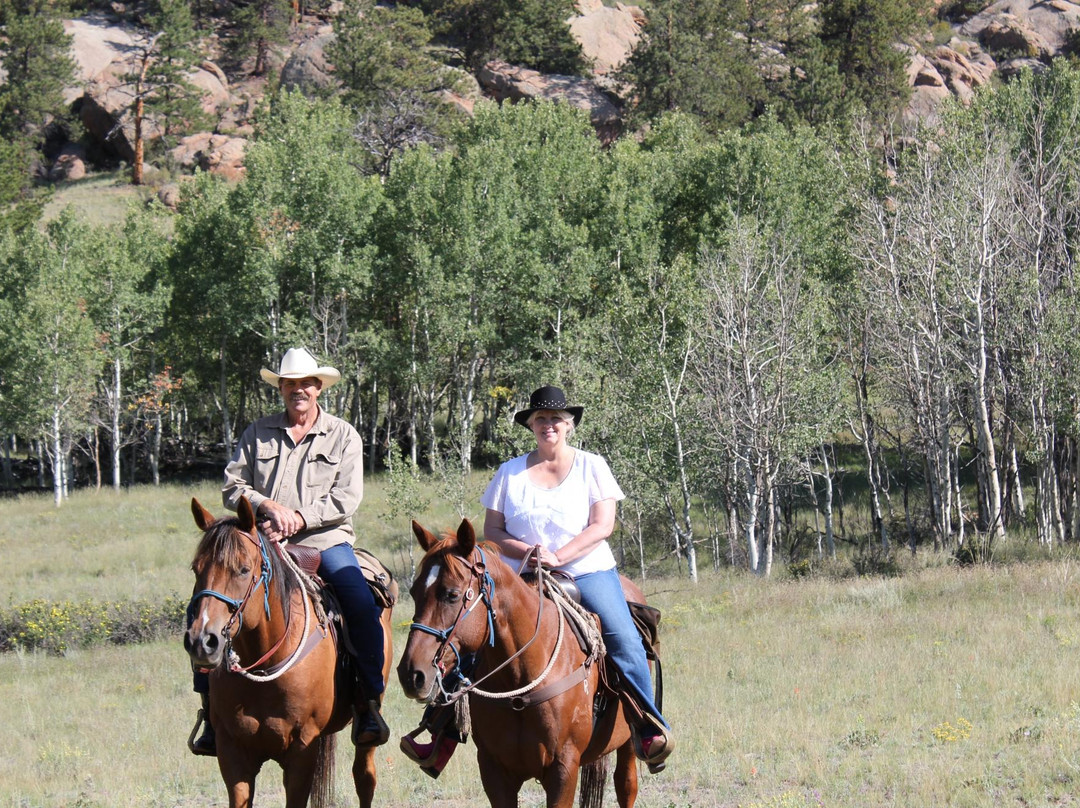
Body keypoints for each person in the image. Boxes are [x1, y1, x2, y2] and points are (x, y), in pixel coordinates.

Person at [400, 385, 673, 775]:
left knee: (622, 637)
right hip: (521, 574)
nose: (549, 425)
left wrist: (560, 556)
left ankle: (648, 726)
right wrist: (528, 552)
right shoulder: (509, 472)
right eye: (541, 418)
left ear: (569, 425)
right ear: (530, 425)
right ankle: (439, 732)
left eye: (556, 419)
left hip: (586, 569)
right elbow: (493, 530)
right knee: (469, 638)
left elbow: (603, 525)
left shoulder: (592, 466)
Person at [189, 347, 389, 755]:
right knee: (207, 603)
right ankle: (210, 711)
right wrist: (265, 505)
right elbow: (233, 486)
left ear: (319, 388)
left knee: (360, 604)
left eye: (306, 384)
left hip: (325, 541)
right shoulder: (257, 432)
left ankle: (368, 703)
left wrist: (298, 518)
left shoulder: (343, 435)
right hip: (261, 541)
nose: (298, 390)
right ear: (280, 388)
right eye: (290, 384)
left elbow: (346, 497)